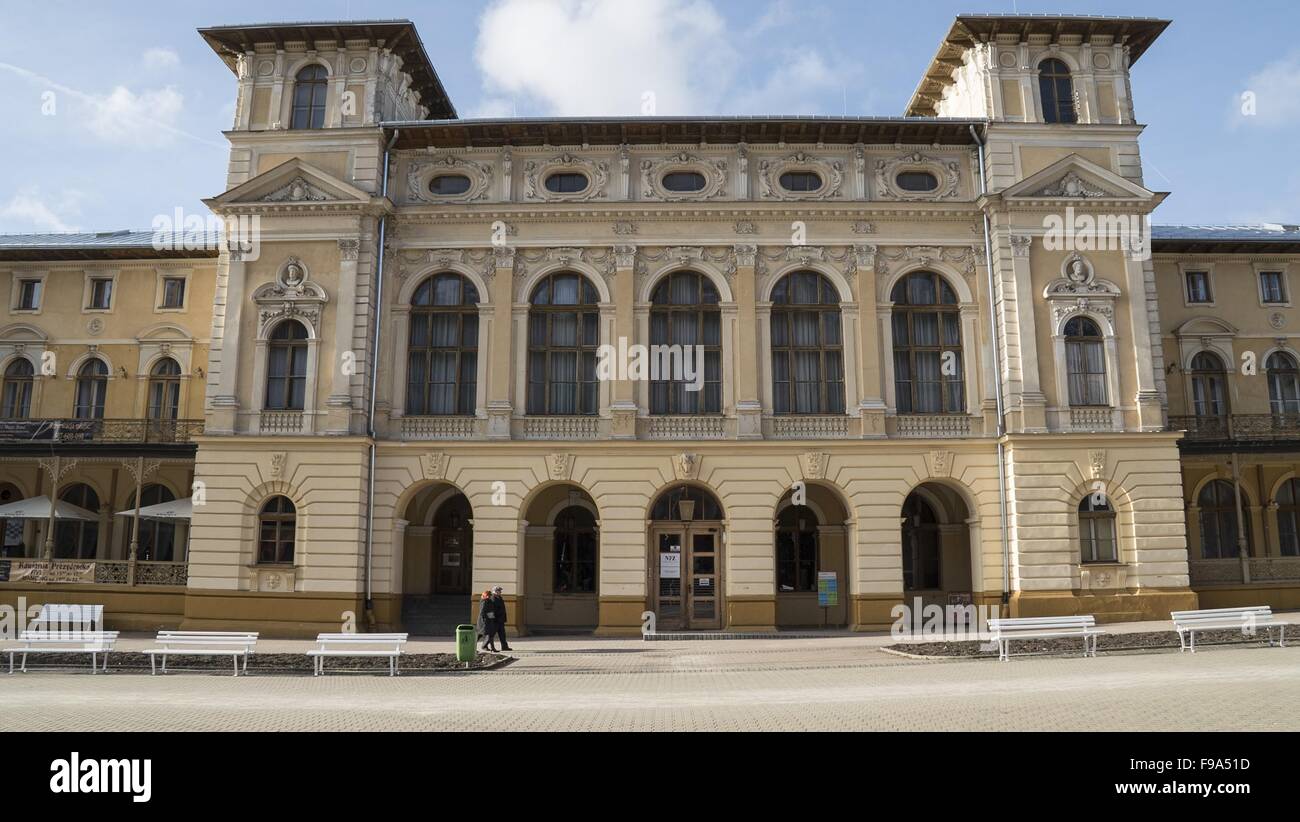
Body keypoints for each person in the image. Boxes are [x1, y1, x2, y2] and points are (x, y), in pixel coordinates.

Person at [491, 586, 512, 651]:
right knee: (491, 634)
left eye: (500, 591)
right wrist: (494, 618)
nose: (500, 592)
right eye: (499, 591)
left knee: (502, 634)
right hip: (496, 620)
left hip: (501, 619)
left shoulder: (500, 598)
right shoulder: (493, 599)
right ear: (495, 592)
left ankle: (504, 647)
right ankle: (485, 645)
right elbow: (493, 610)